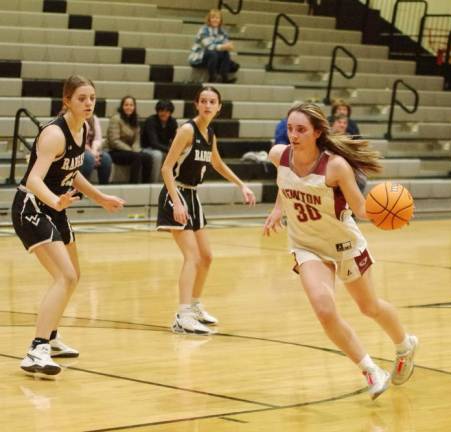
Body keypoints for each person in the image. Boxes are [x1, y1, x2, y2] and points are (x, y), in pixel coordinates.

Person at [263, 103, 418, 400]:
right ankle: (370, 369)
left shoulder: (335, 166)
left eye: (301, 130)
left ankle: (405, 343)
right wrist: (277, 209)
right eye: (290, 128)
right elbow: (284, 184)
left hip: (343, 245)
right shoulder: (278, 155)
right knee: (324, 310)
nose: (292, 135)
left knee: (369, 307)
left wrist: (390, 214)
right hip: (306, 245)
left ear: (317, 132)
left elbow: (359, 208)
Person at [11, 75, 125, 377]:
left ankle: (50, 335)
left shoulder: (82, 128)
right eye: (81, 98)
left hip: (55, 207)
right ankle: (36, 350)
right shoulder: (54, 134)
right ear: (67, 101)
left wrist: (100, 197)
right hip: (32, 205)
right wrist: (54, 200)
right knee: (65, 275)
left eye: (92, 98)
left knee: (73, 277)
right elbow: (34, 179)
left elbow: (72, 172)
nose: (88, 103)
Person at [157, 86, 256, 335]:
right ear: (197, 105)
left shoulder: (210, 133)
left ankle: (194, 305)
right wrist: (176, 202)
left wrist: (241, 185)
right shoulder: (187, 130)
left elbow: (217, 163)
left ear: (219, 107)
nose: (208, 105)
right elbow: (167, 168)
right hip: (176, 193)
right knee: (192, 257)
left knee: (207, 257)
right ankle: (182, 315)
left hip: (193, 195)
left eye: (212, 101)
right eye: (203, 101)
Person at [106, 96, 153, 183]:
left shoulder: (135, 119)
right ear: (122, 106)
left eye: (131, 105)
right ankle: (133, 184)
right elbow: (114, 141)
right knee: (136, 157)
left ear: (134, 107)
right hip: (114, 151)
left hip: (130, 151)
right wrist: (131, 150)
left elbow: (137, 140)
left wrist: (135, 149)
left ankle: (146, 184)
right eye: (126, 105)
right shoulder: (116, 119)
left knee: (148, 157)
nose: (129, 107)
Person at [188, 9, 238, 84]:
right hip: (200, 57)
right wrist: (224, 46)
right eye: (213, 18)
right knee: (212, 53)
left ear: (220, 20)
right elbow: (209, 46)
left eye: (217, 18)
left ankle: (224, 77)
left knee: (225, 53)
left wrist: (228, 46)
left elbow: (227, 45)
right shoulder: (203, 30)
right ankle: (212, 77)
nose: (215, 20)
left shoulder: (222, 32)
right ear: (209, 19)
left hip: (215, 58)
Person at [141, 100, 178, 182]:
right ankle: (154, 182)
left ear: (170, 112)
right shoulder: (151, 121)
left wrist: (175, 150)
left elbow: (175, 139)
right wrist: (169, 150)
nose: (164, 113)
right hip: (148, 148)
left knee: (178, 154)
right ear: (157, 111)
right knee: (158, 155)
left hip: (163, 148)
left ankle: (172, 181)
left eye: (167, 111)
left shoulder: (173, 122)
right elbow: (153, 143)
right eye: (161, 110)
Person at [79, 114, 112, 184]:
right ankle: (79, 192)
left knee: (106, 158)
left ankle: (103, 189)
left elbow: (98, 139)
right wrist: (91, 153)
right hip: (77, 149)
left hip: (91, 150)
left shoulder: (94, 118)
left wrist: (94, 151)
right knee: (88, 158)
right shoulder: (73, 116)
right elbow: (76, 140)